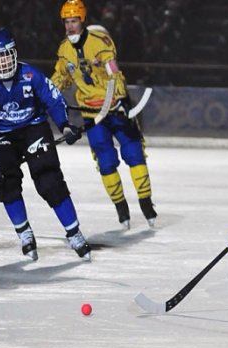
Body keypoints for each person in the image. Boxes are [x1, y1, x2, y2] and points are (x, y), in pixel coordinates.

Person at [0, 28, 90, 261]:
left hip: (34, 127)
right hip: (2, 134)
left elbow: (53, 98)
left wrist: (64, 125)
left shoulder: (31, 75)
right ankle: (25, 234)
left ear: (14, 53)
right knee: (6, 182)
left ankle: (74, 233)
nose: (2, 62)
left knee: (49, 179)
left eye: (6, 55)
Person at [50, 0, 157, 230]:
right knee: (106, 161)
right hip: (92, 113)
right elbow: (60, 78)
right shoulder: (64, 51)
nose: (70, 27)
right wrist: (45, 97)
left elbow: (114, 73)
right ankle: (121, 208)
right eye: (67, 22)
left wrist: (119, 98)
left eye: (74, 21)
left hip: (116, 108)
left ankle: (146, 202)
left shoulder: (101, 43)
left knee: (134, 152)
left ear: (82, 20)